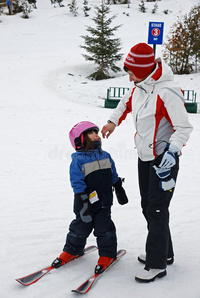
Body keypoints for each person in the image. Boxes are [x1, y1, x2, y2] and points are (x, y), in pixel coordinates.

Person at [101, 43, 193, 282]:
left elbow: (184, 127)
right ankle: (165, 253)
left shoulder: (167, 91)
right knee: (148, 207)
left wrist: (171, 153)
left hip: (164, 160)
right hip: (145, 157)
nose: (128, 76)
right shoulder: (140, 86)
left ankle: (156, 264)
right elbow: (125, 103)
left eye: (131, 72)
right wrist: (113, 121)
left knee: (157, 209)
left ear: (143, 69)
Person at [52, 121, 128, 274]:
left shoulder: (106, 156)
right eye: (91, 133)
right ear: (80, 140)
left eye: (96, 133)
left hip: (104, 202)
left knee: (104, 228)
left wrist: (118, 187)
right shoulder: (78, 160)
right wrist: (82, 200)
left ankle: (107, 254)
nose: (96, 135)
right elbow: (77, 182)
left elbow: (113, 173)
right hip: (85, 203)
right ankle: (73, 250)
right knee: (80, 226)